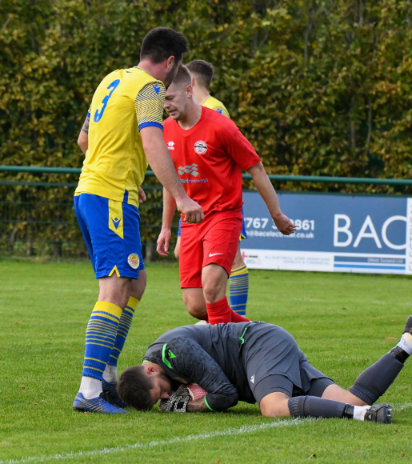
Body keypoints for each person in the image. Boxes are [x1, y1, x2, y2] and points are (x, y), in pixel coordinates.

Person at [72, 27, 205, 415]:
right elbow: (152, 140)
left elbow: (84, 140)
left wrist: (127, 174)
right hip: (110, 197)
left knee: (136, 281)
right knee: (114, 288)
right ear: (171, 63)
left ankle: (106, 380)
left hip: (94, 192)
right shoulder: (149, 88)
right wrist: (180, 196)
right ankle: (89, 390)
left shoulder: (112, 79)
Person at [117, 314, 412, 422]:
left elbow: (225, 394)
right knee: (352, 398)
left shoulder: (173, 353)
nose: (168, 397)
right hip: (263, 350)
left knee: (273, 407)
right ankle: (411, 340)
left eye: (162, 393)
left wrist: (190, 405)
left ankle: (362, 417)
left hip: (257, 346)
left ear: (150, 371)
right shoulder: (158, 363)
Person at [156, 65, 295, 324]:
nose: (165, 105)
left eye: (170, 98)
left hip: (223, 215)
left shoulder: (221, 126)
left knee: (211, 288)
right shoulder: (164, 131)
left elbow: (256, 168)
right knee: (196, 306)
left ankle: (226, 349)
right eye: (162, 99)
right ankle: (251, 332)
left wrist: (276, 215)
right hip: (191, 222)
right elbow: (170, 182)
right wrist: (165, 227)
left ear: (189, 91)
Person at [172, 59, 251, 318]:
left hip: (220, 204)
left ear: (190, 83)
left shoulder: (213, 109)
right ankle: (221, 318)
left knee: (233, 260)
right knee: (185, 257)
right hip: (196, 203)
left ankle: (233, 318)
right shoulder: (184, 115)